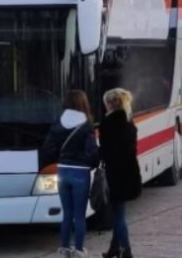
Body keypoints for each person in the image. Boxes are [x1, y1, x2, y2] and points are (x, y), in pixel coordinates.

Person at [40, 90, 99, 258]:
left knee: (67, 214)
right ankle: (79, 250)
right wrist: (93, 164)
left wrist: (59, 157)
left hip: (63, 171)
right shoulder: (86, 125)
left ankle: (64, 249)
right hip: (81, 173)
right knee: (79, 215)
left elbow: (47, 149)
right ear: (83, 103)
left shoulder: (58, 123)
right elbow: (92, 152)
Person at [100, 88, 142, 258]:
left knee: (119, 216)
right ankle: (114, 248)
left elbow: (106, 150)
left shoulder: (108, 123)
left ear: (110, 103)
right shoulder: (128, 121)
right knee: (120, 211)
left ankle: (126, 250)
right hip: (129, 171)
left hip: (115, 173)